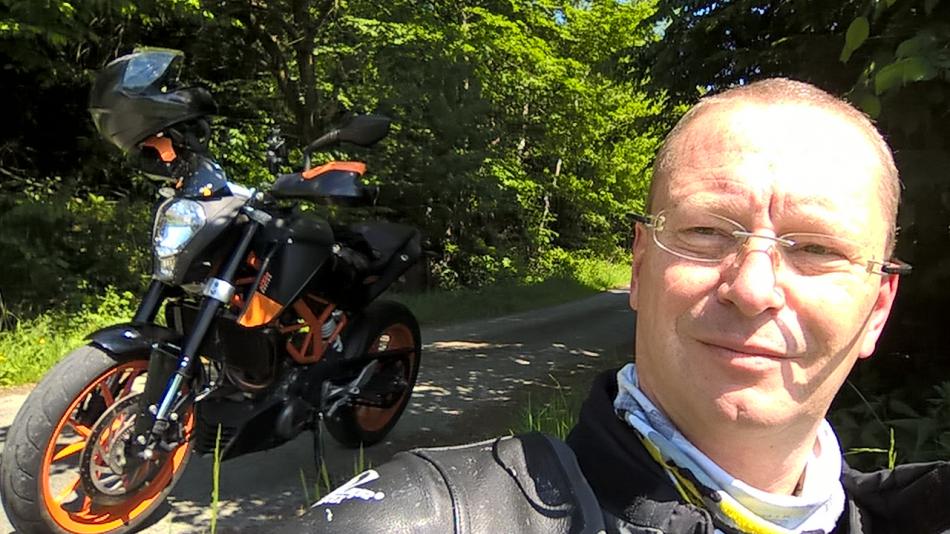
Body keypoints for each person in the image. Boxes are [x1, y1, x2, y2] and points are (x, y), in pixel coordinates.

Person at [279, 79, 950, 534]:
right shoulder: (430, 517)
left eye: (817, 248)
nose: (751, 288)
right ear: (640, 265)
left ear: (877, 308)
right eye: (706, 231)